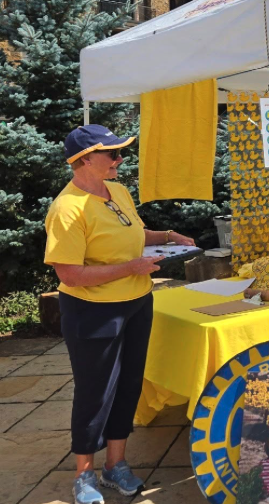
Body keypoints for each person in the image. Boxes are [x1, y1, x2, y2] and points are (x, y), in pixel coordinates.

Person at [44, 125, 196, 504]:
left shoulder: (118, 191)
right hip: (92, 312)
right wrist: (131, 268)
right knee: (95, 392)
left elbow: (134, 233)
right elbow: (69, 274)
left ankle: (116, 464)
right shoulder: (67, 209)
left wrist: (169, 236)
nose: (119, 159)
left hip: (137, 303)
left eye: (119, 152)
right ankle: (84, 475)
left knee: (129, 384)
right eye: (111, 154)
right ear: (82, 161)